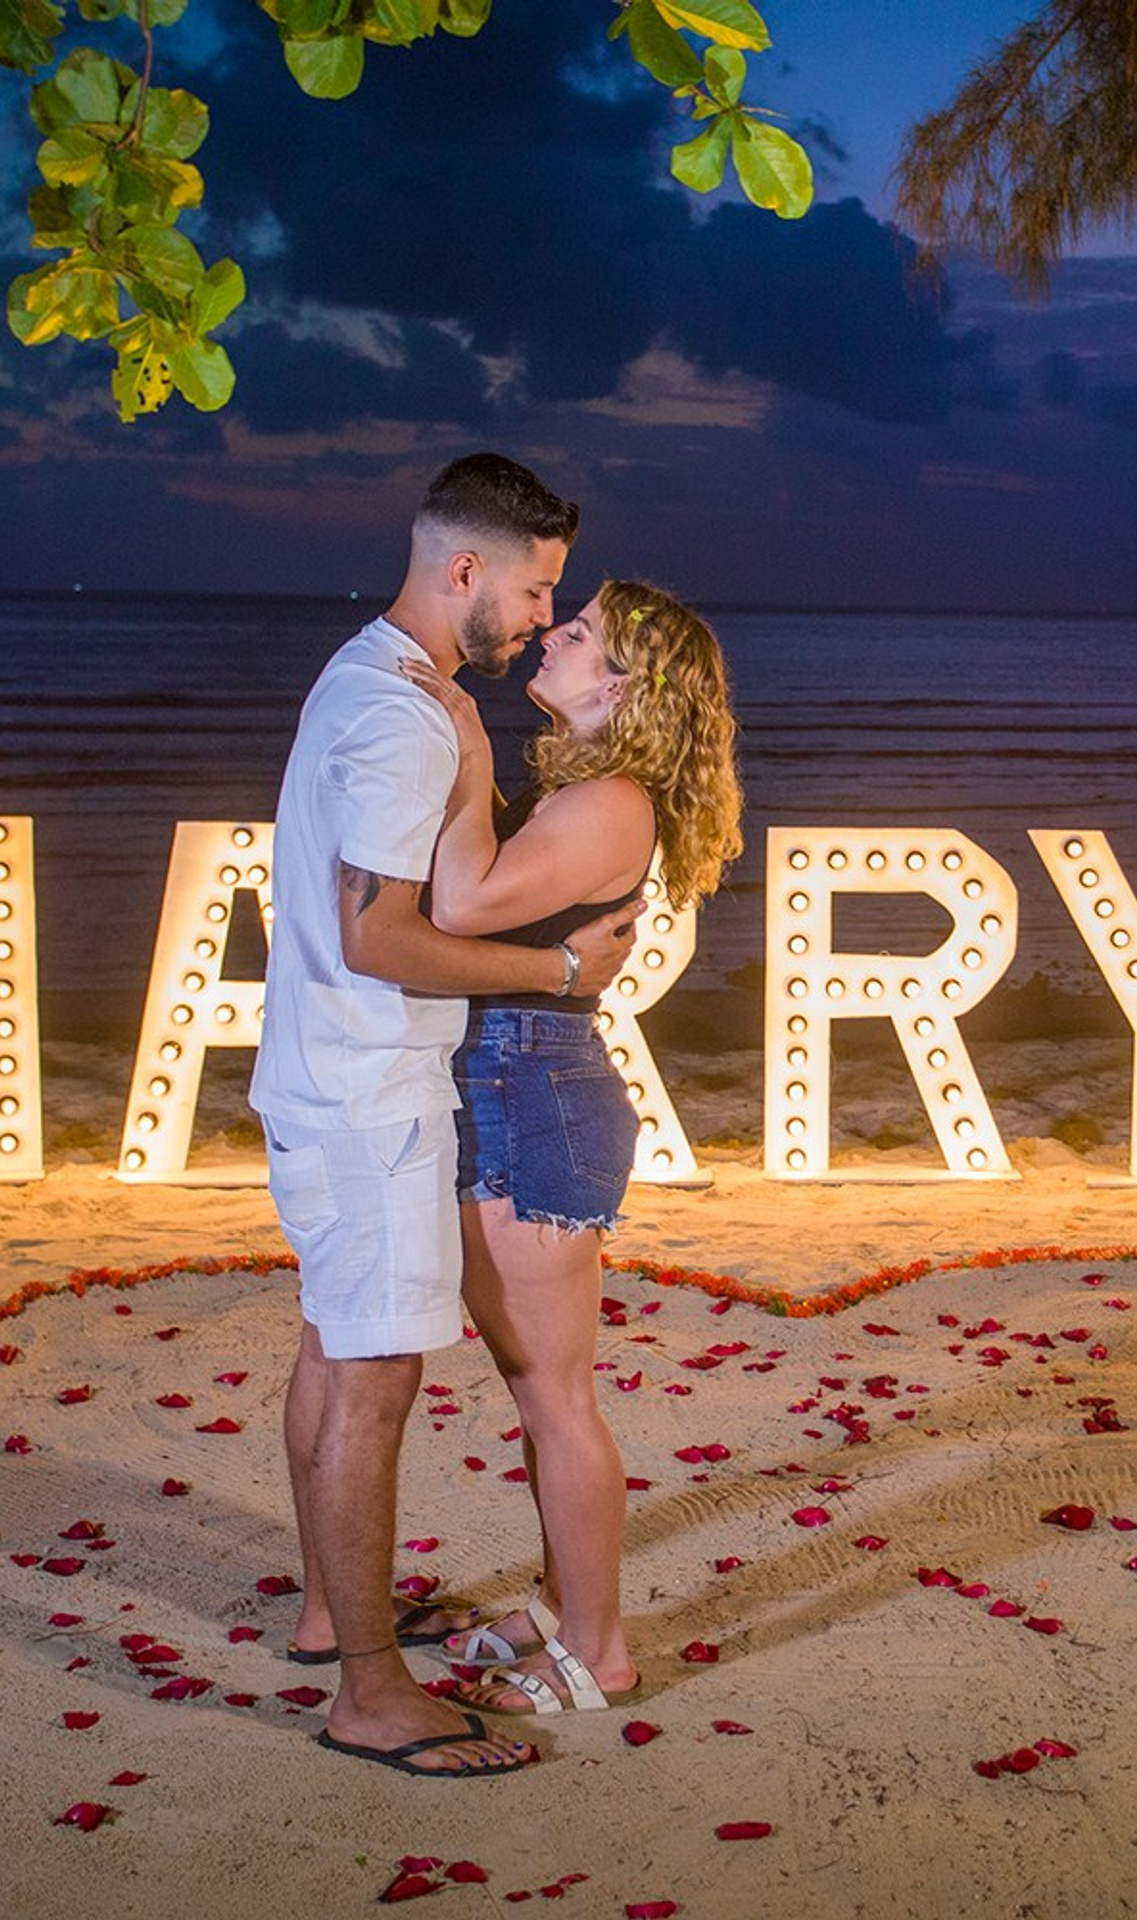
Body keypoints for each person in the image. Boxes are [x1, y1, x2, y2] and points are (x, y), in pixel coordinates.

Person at [250, 454, 638, 1778]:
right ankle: (370, 1690)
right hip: (368, 1095)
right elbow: (379, 935)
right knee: (371, 1378)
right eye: (535, 589)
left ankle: (327, 1612)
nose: (542, 615)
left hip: (330, 1080)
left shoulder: (377, 680)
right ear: (464, 568)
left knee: (336, 1353)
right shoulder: (407, 716)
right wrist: (559, 973)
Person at [398, 579, 742, 1715]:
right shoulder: (600, 794)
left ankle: (597, 1654)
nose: (555, 633)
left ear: (627, 687)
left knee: (557, 1395)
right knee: (536, 1381)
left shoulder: (609, 805)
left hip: (531, 1089)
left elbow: (455, 901)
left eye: (581, 633)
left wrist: (454, 738)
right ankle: (558, 1609)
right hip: (519, 1081)